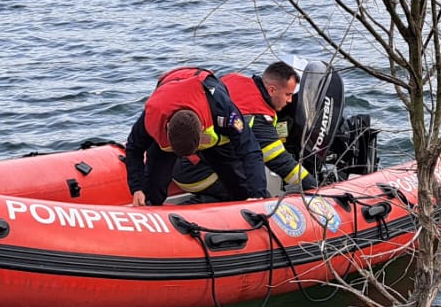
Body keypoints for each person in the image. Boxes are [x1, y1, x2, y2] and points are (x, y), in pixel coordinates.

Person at [124, 67, 267, 206]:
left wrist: (257, 195)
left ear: (202, 130)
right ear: (167, 128)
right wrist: (137, 188)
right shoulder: (153, 115)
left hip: (207, 107)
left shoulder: (223, 110)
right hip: (169, 92)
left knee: (237, 182)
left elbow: (250, 150)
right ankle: (151, 205)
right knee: (153, 181)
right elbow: (134, 148)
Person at [222, 61, 313, 195]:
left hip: (198, 149)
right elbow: (282, 163)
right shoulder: (258, 116)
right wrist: (315, 187)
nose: (290, 101)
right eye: (287, 95)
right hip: (200, 168)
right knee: (260, 196)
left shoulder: (234, 78)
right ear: (272, 90)